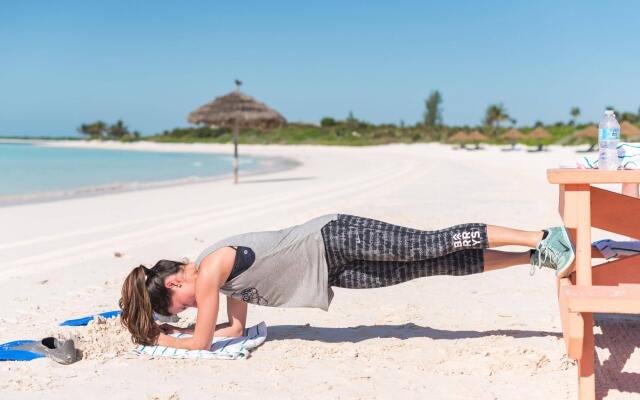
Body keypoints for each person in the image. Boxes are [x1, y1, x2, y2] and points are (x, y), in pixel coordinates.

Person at [120, 212, 581, 350]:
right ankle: (531, 256)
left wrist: (161, 339)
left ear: (175, 284)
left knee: (429, 244)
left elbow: (201, 343)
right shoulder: (219, 283)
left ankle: (544, 235)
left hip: (333, 237)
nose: (186, 310)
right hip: (332, 270)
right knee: (432, 265)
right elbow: (233, 331)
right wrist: (182, 331)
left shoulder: (209, 270)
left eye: (175, 307)